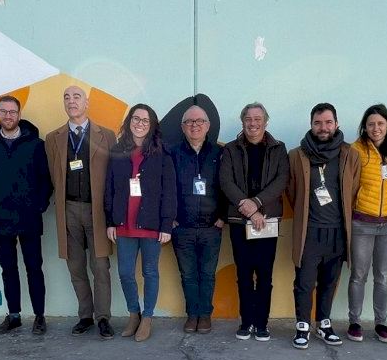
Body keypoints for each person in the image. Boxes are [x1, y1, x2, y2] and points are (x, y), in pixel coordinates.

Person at [0, 95, 52, 335]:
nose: (8, 116)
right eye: (3, 111)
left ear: (19, 114)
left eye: (12, 112)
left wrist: (39, 206)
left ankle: (39, 316)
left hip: (29, 219)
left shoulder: (36, 145)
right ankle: (14, 316)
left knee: (34, 268)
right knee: (8, 270)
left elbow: (46, 181)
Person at [286, 103, 361, 350]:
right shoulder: (297, 155)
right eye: (318, 123)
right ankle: (302, 325)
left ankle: (323, 323)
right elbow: (292, 191)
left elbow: (354, 190)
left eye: (328, 122)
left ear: (336, 124)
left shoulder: (350, 155)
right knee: (304, 282)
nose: (323, 127)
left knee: (330, 281)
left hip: (338, 232)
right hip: (309, 231)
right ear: (311, 125)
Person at [45, 86, 117, 339]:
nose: (71, 101)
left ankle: (103, 317)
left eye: (77, 97)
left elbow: (114, 177)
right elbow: (51, 175)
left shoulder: (106, 135)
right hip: (68, 209)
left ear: (86, 103)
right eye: (66, 97)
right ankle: (85, 316)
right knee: (75, 266)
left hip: (97, 210)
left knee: (100, 266)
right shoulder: (53, 138)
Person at [104, 104, 177, 342]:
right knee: (125, 272)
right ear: (129, 122)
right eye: (136, 119)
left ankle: (147, 317)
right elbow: (109, 187)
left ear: (152, 125)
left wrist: (166, 224)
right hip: (123, 223)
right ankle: (133, 314)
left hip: (151, 223)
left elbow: (169, 191)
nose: (140, 124)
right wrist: (110, 221)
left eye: (146, 120)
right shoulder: (117, 151)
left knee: (150, 272)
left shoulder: (162, 153)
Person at [218, 102, 289, 341]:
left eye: (258, 119)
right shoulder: (230, 149)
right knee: (244, 274)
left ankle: (262, 324)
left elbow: (281, 180)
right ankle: (246, 321)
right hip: (240, 221)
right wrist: (248, 209)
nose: (253, 123)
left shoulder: (278, 148)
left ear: (265, 122)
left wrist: (257, 203)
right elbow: (226, 181)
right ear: (242, 122)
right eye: (248, 119)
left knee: (265, 275)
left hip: (267, 221)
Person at [347, 104, 387, 344]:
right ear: (365, 127)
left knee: (383, 276)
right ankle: (354, 322)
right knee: (358, 274)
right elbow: (348, 184)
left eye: (380, 123)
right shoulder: (356, 150)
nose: (376, 128)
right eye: (371, 124)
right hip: (362, 222)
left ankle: (381, 323)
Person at [168, 106, 225, 334]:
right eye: (189, 122)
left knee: (208, 275)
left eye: (200, 121)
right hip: (182, 227)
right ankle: (192, 315)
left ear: (208, 126)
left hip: (212, 227)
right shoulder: (172, 153)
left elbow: (227, 185)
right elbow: (165, 188)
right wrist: (171, 218)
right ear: (182, 127)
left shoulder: (219, 153)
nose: (195, 125)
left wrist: (222, 217)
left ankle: (205, 315)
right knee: (188, 275)